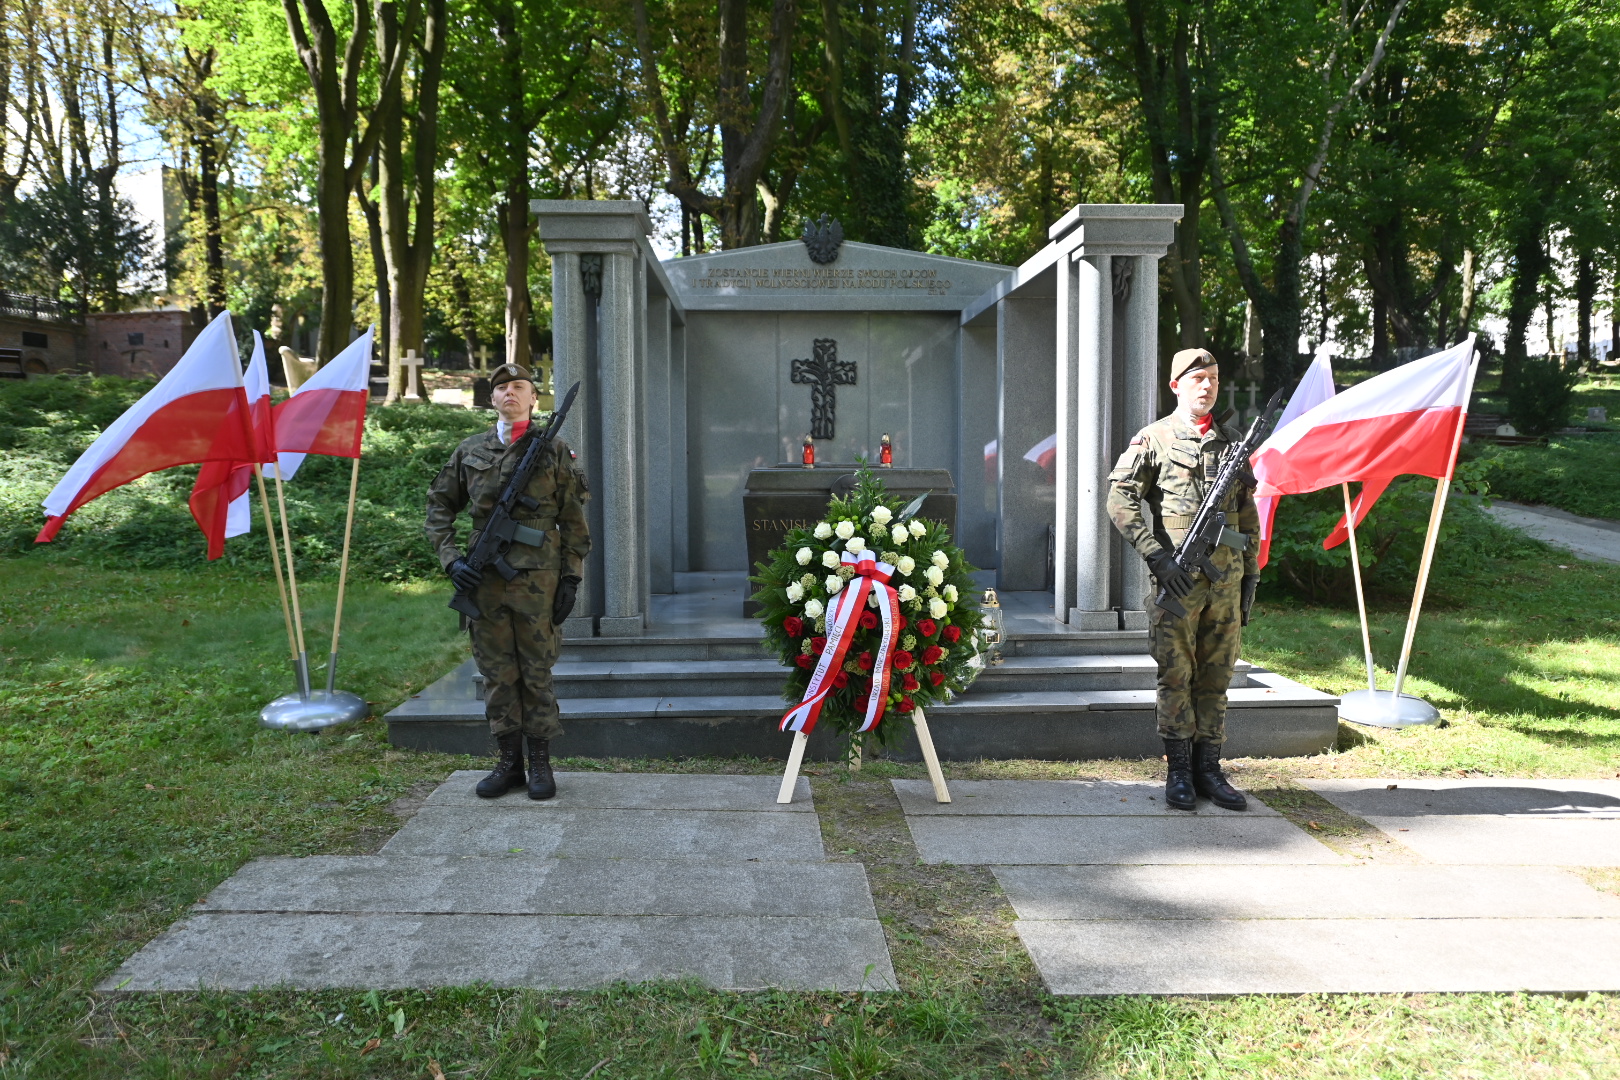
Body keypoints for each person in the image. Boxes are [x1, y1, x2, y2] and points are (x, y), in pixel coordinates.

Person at [424, 363, 591, 800]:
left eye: (520, 387)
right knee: (497, 673)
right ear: (492, 399)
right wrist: (451, 560)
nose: (510, 393)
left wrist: (571, 578)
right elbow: (439, 507)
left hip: (539, 580)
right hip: (483, 579)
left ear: (534, 399)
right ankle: (508, 763)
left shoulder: (554, 451)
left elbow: (574, 522)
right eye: (502, 388)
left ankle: (540, 763)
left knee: (536, 671)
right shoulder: (469, 451)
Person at [1107, 348, 1260, 812]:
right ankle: (1178, 772)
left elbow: (1247, 516)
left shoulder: (1232, 442)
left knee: (1217, 675)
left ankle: (1208, 769)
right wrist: (1156, 557)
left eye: (1213, 378)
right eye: (1197, 378)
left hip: (1226, 585)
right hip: (1179, 581)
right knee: (1176, 674)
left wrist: (1251, 572)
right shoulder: (1154, 439)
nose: (1207, 385)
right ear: (1175, 386)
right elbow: (1119, 500)